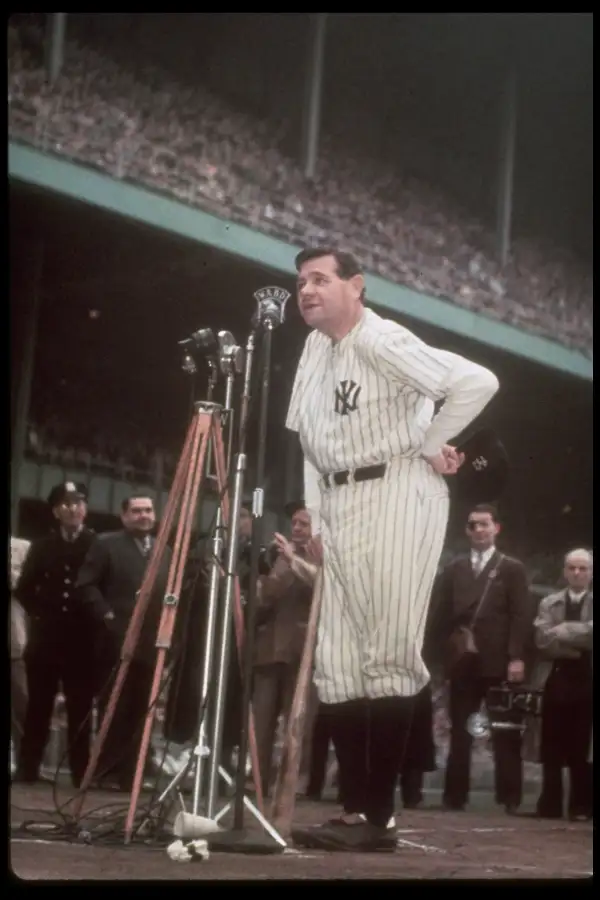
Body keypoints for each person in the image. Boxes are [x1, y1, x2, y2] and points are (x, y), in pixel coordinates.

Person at [286, 246, 499, 851]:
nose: (307, 290)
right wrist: (319, 521)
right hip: (341, 499)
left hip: (396, 492)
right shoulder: (314, 347)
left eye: (320, 279)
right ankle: (354, 810)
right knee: (340, 664)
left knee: (387, 654)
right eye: (302, 281)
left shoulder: (382, 339)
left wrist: (435, 439)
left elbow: (477, 380)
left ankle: (379, 817)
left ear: (357, 286)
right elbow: (309, 442)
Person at [429, 504, 530, 814]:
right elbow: (440, 616)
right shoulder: (454, 569)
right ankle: (454, 797)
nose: (479, 530)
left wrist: (516, 658)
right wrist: (439, 657)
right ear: (466, 531)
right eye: (473, 525)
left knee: (504, 730)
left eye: (485, 524)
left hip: (498, 660)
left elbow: (520, 615)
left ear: (496, 528)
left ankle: (509, 797)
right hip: (463, 661)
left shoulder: (511, 568)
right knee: (460, 729)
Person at [76, 494, 171, 790]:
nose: (144, 515)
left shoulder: (166, 551)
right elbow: (86, 584)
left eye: (148, 510)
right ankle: (105, 771)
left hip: (152, 643)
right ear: (124, 515)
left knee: (143, 710)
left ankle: (133, 774)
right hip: (115, 641)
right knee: (113, 707)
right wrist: (106, 615)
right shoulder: (106, 544)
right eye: (137, 511)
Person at [13, 483, 97, 788]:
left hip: (82, 640)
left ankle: (80, 773)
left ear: (85, 508)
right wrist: (41, 614)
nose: (72, 509)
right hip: (46, 640)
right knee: (38, 708)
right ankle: (28, 769)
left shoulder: (96, 545)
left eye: (78, 503)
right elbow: (23, 589)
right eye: (65, 504)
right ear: (55, 511)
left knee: (80, 710)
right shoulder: (43, 547)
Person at [524, 548, 593, 821]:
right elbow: (542, 640)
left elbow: (556, 635)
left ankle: (581, 806)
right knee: (550, 746)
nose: (577, 573)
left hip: (588, 682)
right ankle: (549, 805)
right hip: (555, 680)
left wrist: (564, 630)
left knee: (582, 746)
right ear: (565, 571)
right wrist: (580, 643)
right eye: (572, 568)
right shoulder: (548, 602)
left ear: (590, 572)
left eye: (582, 568)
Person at [251, 504, 314, 797]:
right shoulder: (276, 556)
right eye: (295, 522)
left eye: (304, 523)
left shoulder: (321, 557)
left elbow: (319, 585)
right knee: (262, 720)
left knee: (297, 721)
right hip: (269, 648)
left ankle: (294, 780)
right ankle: (259, 778)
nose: (297, 528)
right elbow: (263, 597)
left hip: (302, 650)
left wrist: (291, 560)